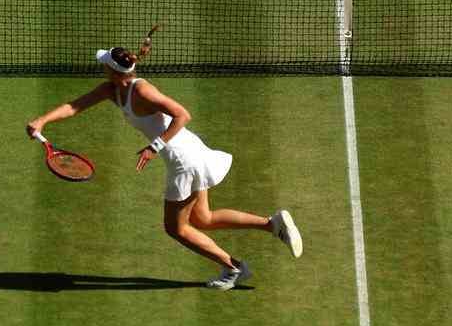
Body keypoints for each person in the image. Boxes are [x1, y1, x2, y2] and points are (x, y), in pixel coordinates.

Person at [25, 40, 303, 290]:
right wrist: (43, 120)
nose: (101, 69)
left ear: (114, 71)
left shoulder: (143, 91)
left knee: (176, 229)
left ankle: (233, 267)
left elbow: (183, 114)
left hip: (184, 161)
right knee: (203, 219)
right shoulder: (112, 89)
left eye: (104, 65)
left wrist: (154, 147)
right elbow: (75, 105)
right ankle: (271, 224)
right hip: (190, 152)